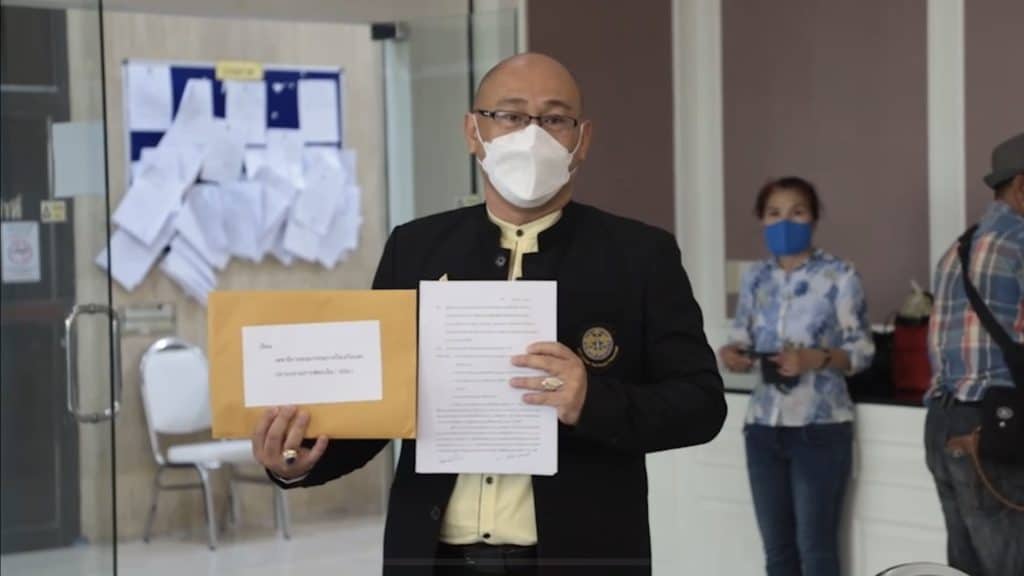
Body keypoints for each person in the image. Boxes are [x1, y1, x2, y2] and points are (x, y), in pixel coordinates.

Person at [249, 53, 727, 576]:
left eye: (554, 119)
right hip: (434, 559)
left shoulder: (640, 256)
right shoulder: (416, 248)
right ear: (473, 132)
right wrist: (297, 460)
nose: (532, 135)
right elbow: (380, 406)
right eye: (510, 115)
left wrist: (592, 400)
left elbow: (702, 404)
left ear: (582, 139)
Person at [718, 177, 874, 576]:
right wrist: (733, 354)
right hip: (763, 426)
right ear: (761, 220)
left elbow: (862, 351)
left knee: (816, 551)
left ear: (814, 218)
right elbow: (742, 337)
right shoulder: (755, 277)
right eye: (774, 213)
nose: (785, 221)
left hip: (819, 428)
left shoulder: (840, 275)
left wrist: (814, 358)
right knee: (778, 552)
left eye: (797, 212)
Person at [925, 132, 1024, 576]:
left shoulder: (957, 250)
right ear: (1022, 186)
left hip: (944, 425)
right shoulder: (1020, 244)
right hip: (996, 429)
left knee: (964, 568)